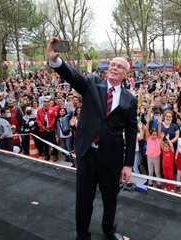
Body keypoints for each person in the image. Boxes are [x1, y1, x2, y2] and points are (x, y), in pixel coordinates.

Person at [47, 38, 137, 240]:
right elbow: (72, 76)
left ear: (126, 73)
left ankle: (109, 231)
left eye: (120, 66)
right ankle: (82, 234)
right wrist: (56, 60)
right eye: (112, 64)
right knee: (84, 199)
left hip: (111, 158)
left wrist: (128, 164)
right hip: (87, 154)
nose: (114, 68)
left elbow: (132, 133)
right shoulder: (92, 84)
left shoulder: (130, 99)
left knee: (110, 199)